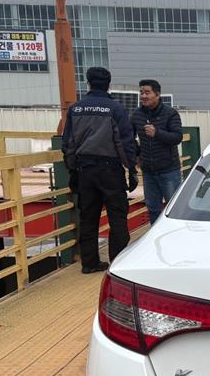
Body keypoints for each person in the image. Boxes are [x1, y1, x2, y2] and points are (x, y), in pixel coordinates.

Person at [61, 67, 138, 274]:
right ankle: (118, 264)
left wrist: (72, 170)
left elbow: (68, 144)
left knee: (88, 218)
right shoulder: (115, 108)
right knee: (117, 217)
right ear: (108, 84)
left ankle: (89, 263)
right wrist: (131, 169)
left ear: (88, 82)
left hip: (85, 170)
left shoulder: (76, 109)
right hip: (110, 170)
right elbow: (125, 142)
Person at [132, 79, 183, 224]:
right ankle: (155, 235)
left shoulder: (170, 113)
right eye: (141, 92)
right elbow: (128, 137)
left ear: (157, 94)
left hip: (169, 171)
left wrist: (157, 133)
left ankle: (175, 235)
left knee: (174, 209)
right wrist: (137, 154)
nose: (143, 96)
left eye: (147, 92)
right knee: (153, 208)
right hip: (148, 172)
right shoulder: (137, 115)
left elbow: (177, 137)